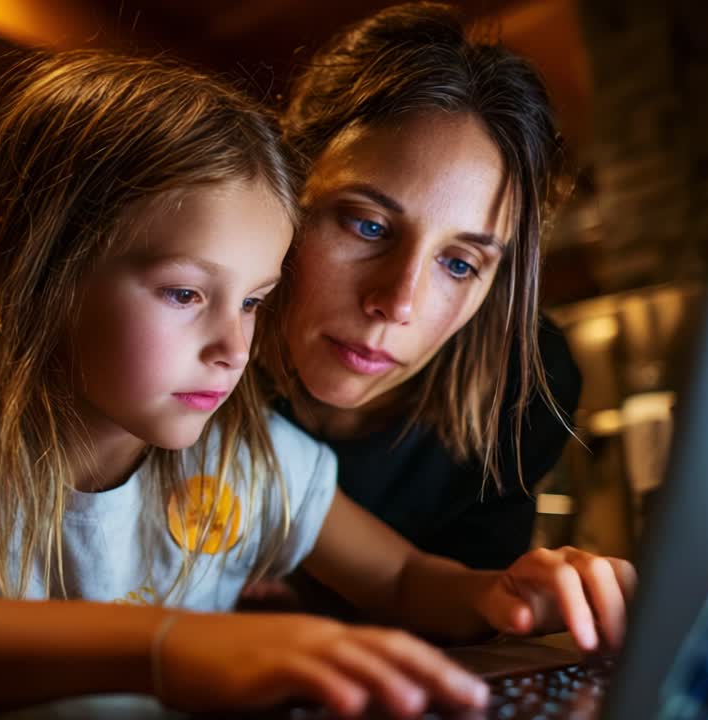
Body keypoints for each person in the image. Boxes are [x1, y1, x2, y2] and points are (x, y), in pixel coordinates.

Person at [0, 47, 631, 720]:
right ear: (43, 271)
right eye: (188, 293)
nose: (234, 347)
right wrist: (168, 647)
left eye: (257, 301)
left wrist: (506, 595)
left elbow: (400, 578)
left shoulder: (253, 453)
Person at [243, 2, 590, 620]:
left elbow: (437, 598)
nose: (397, 303)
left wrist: (524, 598)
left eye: (459, 264)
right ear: (284, 189)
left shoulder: (523, 390)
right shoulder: (182, 370)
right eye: (368, 225)